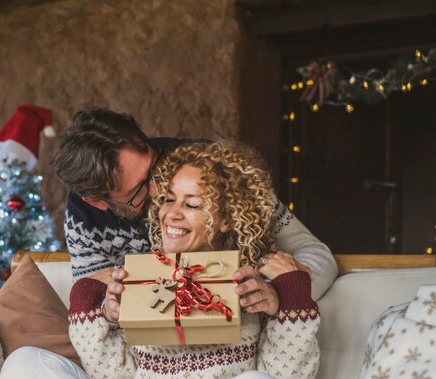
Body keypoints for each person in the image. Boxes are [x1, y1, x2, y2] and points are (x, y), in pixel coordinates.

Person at [0, 141, 320, 379]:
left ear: (226, 219)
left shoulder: (254, 282)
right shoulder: (140, 278)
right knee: (22, 366)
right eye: (168, 199)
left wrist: (288, 301)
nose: (172, 213)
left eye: (191, 203)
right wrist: (94, 308)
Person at [50, 108, 337, 316]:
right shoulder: (83, 218)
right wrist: (108, 307)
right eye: (138, 190)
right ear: (97, 202)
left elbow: (314, 253)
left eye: (155, 167)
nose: (159, 189)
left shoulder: (212, 169)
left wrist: (278, 295)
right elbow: (88, 300)